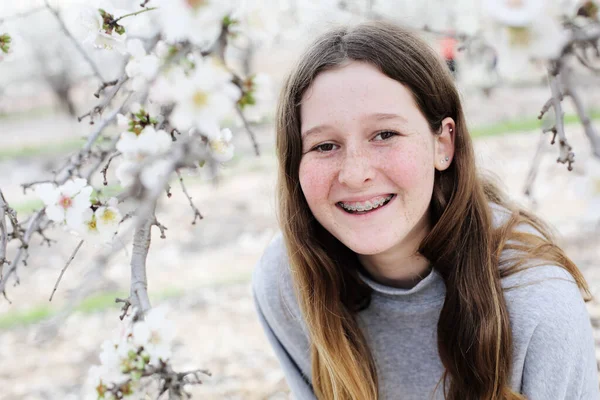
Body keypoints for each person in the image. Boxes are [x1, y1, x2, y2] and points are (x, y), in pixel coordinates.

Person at [251, 21, 599, 400]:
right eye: (324, 146)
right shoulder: (288, 280)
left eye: (385, 135)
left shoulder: (536, 304)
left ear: (443, 144)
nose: (354, 174)